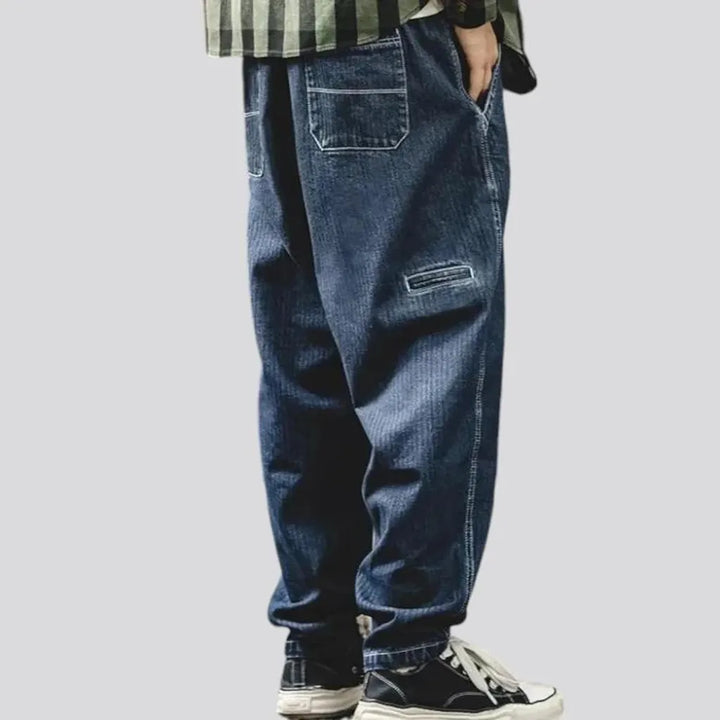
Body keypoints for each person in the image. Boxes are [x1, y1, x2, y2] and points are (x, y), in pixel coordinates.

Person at [203, 1, 562, 718]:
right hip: (393, 25)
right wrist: (471, 12)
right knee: (424, 339)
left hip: (271, 44)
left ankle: (323, 646)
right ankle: (410, 656)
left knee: (308, 353)